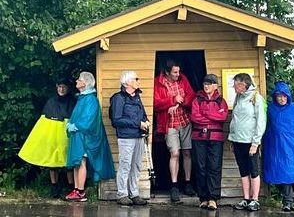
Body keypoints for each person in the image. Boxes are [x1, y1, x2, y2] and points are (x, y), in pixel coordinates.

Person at [18, 78, 76, 198]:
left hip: (66, 136)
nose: (61, 89)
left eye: (64, 86)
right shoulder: (51, 101)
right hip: (52, 136)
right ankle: (54, 187)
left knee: (69, 163)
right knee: (52, 163)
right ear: (56, 87)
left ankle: (71, 187)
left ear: (68, 88)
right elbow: (43, 122)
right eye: (59, 86)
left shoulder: (73, 102)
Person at [65, 71, 115, 202]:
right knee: (77, 162)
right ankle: (76, 189)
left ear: (85, 83)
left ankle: (80, 191)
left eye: (79, 79)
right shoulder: (82, 98)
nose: (76, 81)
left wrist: (75, 126)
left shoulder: (91, 99)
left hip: (85, 137)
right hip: (78, 136)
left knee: (81, 162)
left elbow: (89, 119)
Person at [263, 81, 294, 212]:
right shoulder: (271, 109)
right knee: (284, 172)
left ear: (288, 96)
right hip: (279, 147)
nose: (282, 99)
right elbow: (269, 128)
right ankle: (287, 201)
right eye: (279, 96)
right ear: (275, 97)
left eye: (284, 96)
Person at [154, 59, 196, 203]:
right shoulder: (158, 82)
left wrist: (180, 102)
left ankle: (188, 183)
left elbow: (191, 96)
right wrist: (172, 100)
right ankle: (174, 186)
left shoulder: (183, 80)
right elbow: (155, 103)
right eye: (175, 72)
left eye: (179, 71)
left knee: (187, 152)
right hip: (169, 123)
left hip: (185, 121)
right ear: (167, 72)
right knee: (175, 153)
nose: (178, 74)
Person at [110, 71, 150, 206]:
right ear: (127, 82)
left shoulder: (137, 97)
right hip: (126, 137)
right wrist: (138, 124)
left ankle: (134, 193)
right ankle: (122, 194)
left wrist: (146, 121)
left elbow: (143, 114)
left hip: (139, 136)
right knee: (125, 165)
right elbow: (116, 120)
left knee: (136, 165)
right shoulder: (118, 98)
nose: (138, 81)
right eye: (136, 79)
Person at [228, 73, 266, 211]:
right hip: (238, 140)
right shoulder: (238, 98)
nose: (234, 86)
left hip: (250, 141)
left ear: (243, 84)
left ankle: (255, 199)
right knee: (243, 169)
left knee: (254, 169)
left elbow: (261, 122)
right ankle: (246, 198)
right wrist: (232, 138)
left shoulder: (256, 98)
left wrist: (255, 143)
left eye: (236, 84)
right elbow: (234, 120)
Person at [191, 74, 228, 210]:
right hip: (199, 137)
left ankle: (213, 198)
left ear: (215, 86)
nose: (206, 86)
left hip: (216, 138)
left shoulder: (220, 100)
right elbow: (194, 117)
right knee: (200, 167)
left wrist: (206, 114)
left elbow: (222, 116)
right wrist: (212, 118)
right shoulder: (197, 99)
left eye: (209, 84)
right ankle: (203, 198)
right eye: (205, 83)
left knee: (214, 167)